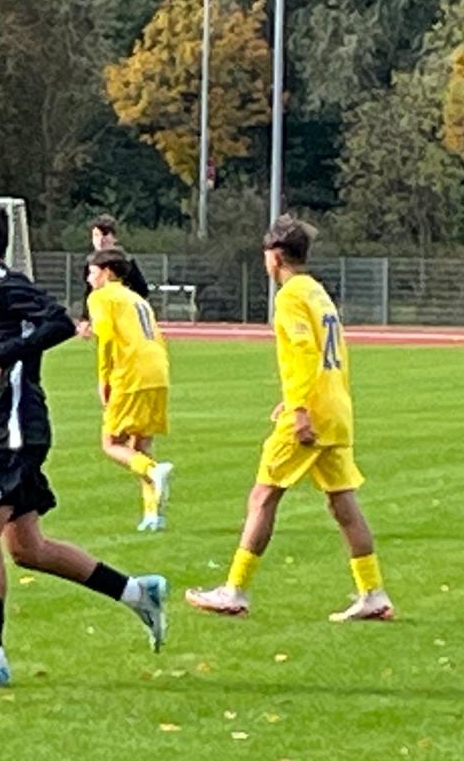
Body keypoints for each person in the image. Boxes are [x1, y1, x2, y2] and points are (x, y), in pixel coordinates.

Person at [0, 206, 167, 689]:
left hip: (11, 429)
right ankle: (138, 593)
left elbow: (58, 323)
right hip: (10, 424)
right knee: (28, 548)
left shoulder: (3, 284)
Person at [186, 217, 394, 622]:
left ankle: (234, 590)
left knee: (263, 496)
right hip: (335, 408)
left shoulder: (290, 296)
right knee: (342, 502)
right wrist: (293, 399)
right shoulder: (318, 292)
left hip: (312, 413)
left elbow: (302, 350)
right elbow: (330, 352)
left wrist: (298, 408)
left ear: (276, 256)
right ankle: (373, 593)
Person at [86, 248, 174, 531]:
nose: (89, 279)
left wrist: (104, 378)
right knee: (140, 446)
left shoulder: (101, 297)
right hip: (157, 370)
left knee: (111, 442)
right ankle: (152, 515)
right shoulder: (137, 299)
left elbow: (106, 339)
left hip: (131, 372)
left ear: (107, 272)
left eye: (92, 272)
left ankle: (153, 470)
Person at [77, 215, 150, 336]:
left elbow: (142, 290)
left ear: (114, 237)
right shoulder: (90, 262)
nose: (100, 240)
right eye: (96, 235)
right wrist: (85, 318)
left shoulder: (126, 261)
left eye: (105, 234)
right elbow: (89, 291)